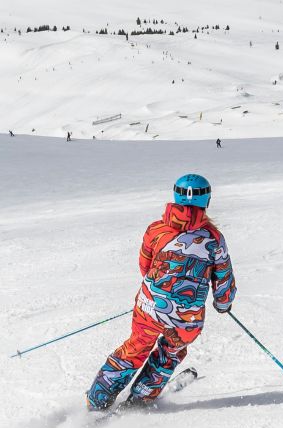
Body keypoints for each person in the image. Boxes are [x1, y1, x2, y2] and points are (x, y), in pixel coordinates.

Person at [86, 174, 237, 411]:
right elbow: (224, 277)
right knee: (170, 352)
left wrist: (158, 294)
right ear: (207, 201)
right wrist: (224, 303)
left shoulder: (156, 230)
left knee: (137, 346)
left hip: (149, 307)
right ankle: (141, 397)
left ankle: (99, 396)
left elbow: (145, 266)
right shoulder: (214, 239)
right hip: (186, 318)